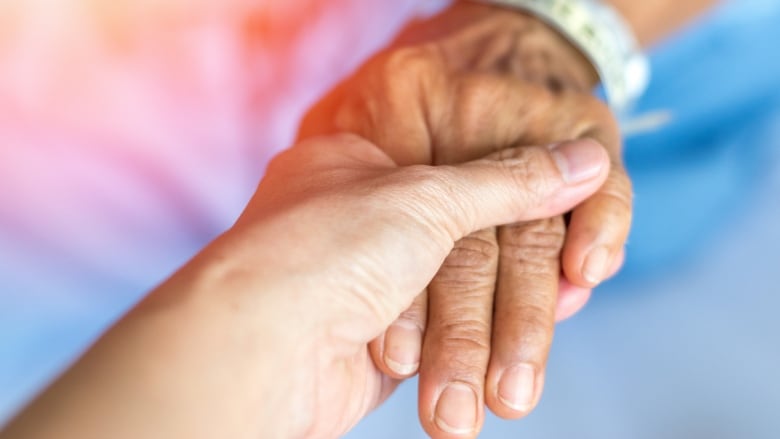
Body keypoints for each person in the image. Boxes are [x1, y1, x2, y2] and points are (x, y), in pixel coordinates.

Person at [0, 0, 717, 438]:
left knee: (617, 228)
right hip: (70, 175)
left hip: (624, 80)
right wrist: (259, 318)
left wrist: (552, 26)